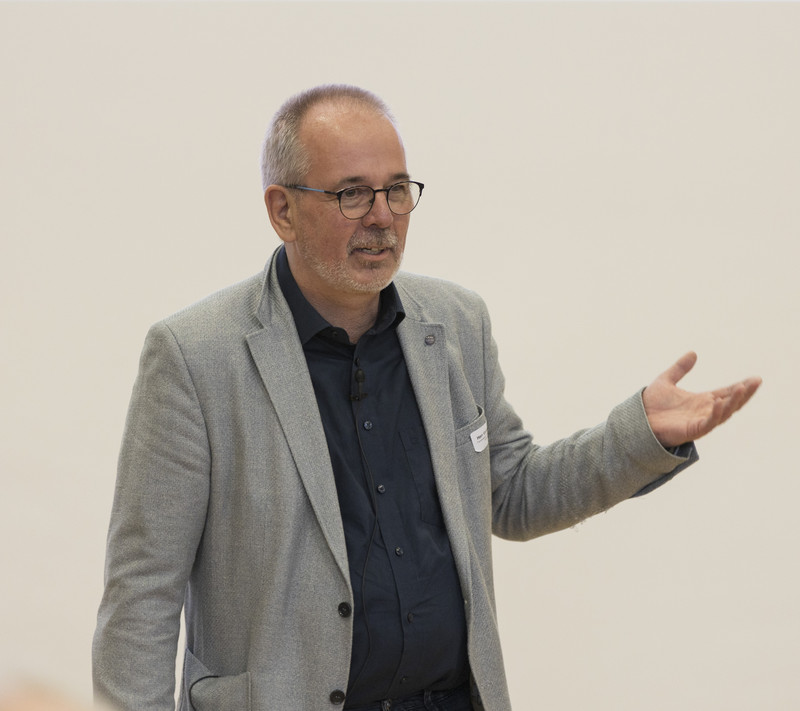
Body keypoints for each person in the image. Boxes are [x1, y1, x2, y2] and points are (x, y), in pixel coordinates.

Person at [92, 85, 761, 711]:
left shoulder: (456, 324)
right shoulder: (195, 356)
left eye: (396, 190)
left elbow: (513, 491)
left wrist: (641, 434)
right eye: (353, 194)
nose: (383, 217)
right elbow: (142, 593)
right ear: (282, 209)